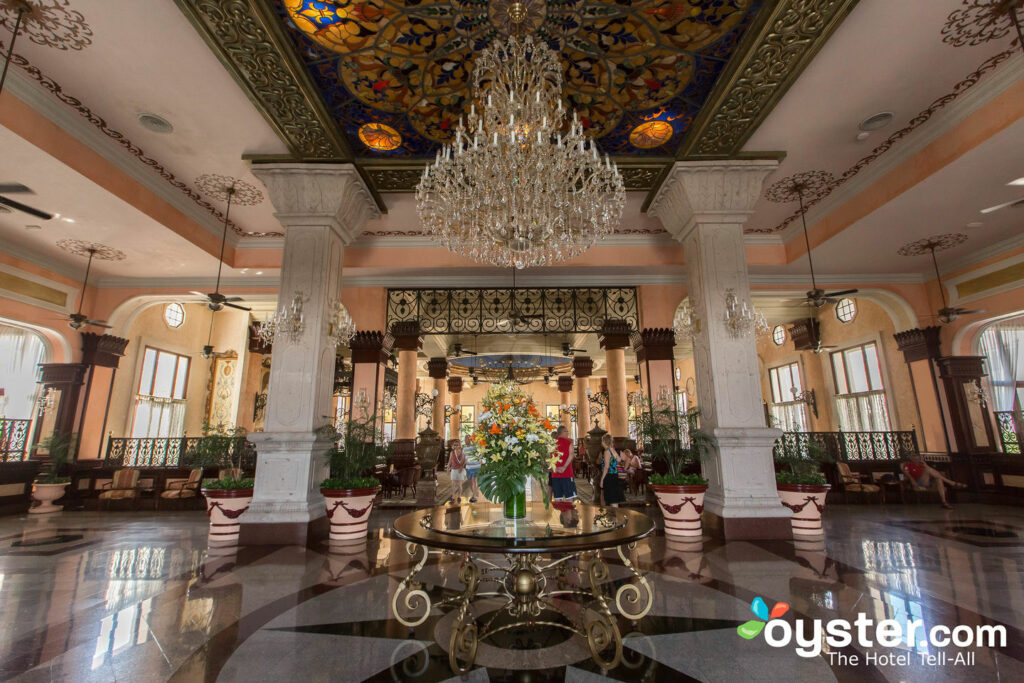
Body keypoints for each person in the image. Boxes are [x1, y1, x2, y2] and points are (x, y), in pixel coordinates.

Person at [900, 453, 966, 509]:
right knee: (928, 470)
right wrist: (912, 479)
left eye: (918, 459)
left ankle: (944, 502)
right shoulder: (907, 465)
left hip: (927, 481)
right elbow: (906, 473)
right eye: (915, 459)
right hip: (918, 482)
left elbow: (936, 473)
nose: (917, 460)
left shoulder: (922, 465)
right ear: (911, 459)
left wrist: (925, 465)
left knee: (938, 479)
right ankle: (951, 483)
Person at [551, 426, 577, 501]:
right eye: (567, 431)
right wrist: (564, 467)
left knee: (558, 498)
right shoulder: (569, 443)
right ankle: (569, 512)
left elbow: (548, 459)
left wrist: (555, 468)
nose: (568, 433)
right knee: (570, 498)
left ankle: (561, 512)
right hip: (567, 474)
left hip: (555, 474)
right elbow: (571, 455)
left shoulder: (552, 444)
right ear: (563, 432)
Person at [600, 433, 626, 507]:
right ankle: (616, 517)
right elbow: (621, 460)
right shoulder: (614, 451)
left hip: (609, 477)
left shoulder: (607, 452)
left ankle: (616, 517)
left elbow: (606, 467)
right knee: (614, 500)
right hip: (616, 476)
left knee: (612, 500)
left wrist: (602, 479)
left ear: (604, 442)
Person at [447, 438, 467, 505]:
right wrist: (448, 468)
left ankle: (459, 496)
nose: (456, 446)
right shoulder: (452, 452)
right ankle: (453, 496)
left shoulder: (462, 452)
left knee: (459, 484)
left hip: (460, 469)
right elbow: (450, 461)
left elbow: (465, 461)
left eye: (457, 445)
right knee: (453, 484)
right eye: (454, 445)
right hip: (453, 469)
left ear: (459, 445)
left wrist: (461, 467)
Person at [463, 434, 481, 503]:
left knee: (474, 481)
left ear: (470, 439)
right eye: (465, 439)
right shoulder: (464, 448)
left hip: (476, 466)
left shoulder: (475, 447)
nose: (466, 440)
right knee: (470, 481)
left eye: (467, 439)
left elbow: (480, 455)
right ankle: (474, 492)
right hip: (468, 467)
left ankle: (474, 496)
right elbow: (464, 458)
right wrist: (462, 466)